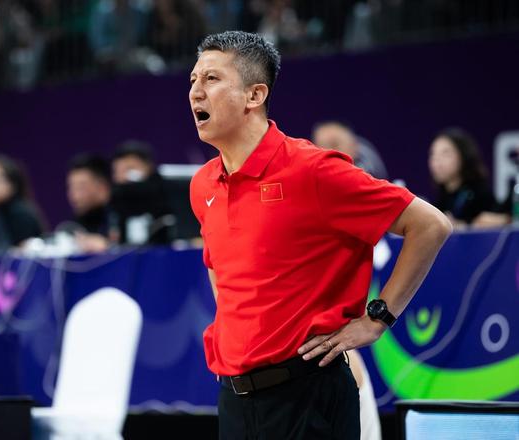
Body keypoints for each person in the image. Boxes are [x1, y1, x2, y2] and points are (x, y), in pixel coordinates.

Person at [188, 31, 451, 439]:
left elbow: (430, 225)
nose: (195, 92)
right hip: (235, 399)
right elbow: (218, 268)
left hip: (308, 394)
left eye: (211, 79)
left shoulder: (313, 171)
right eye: (193, 79)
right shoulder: (203, 184)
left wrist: (378, 319)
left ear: (254, 95)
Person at [428, 128, 507, 228]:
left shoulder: (480, 195)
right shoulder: (441, 200)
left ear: (463, 156)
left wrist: (466, 225)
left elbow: (504, 220)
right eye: (433, 154)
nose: (437, 161)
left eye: (445, 154)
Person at [110, 140, 174, 245]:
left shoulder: (165, 192)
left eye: (130, 168)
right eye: (120, 171)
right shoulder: (113, 200)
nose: (125, 176)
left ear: (148, 166)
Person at [61, 153, 114, 253]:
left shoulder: (119, 220)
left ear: (102, 188)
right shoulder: (74, 226)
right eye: (71, 187)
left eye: (81, 187)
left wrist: (108, 246)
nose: (74, 195)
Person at [313, 120, 388, 179]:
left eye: (335, 144)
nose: (330, 151)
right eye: (321, 146)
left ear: (354, 145)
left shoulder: (366, 163)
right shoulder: (314, 169)